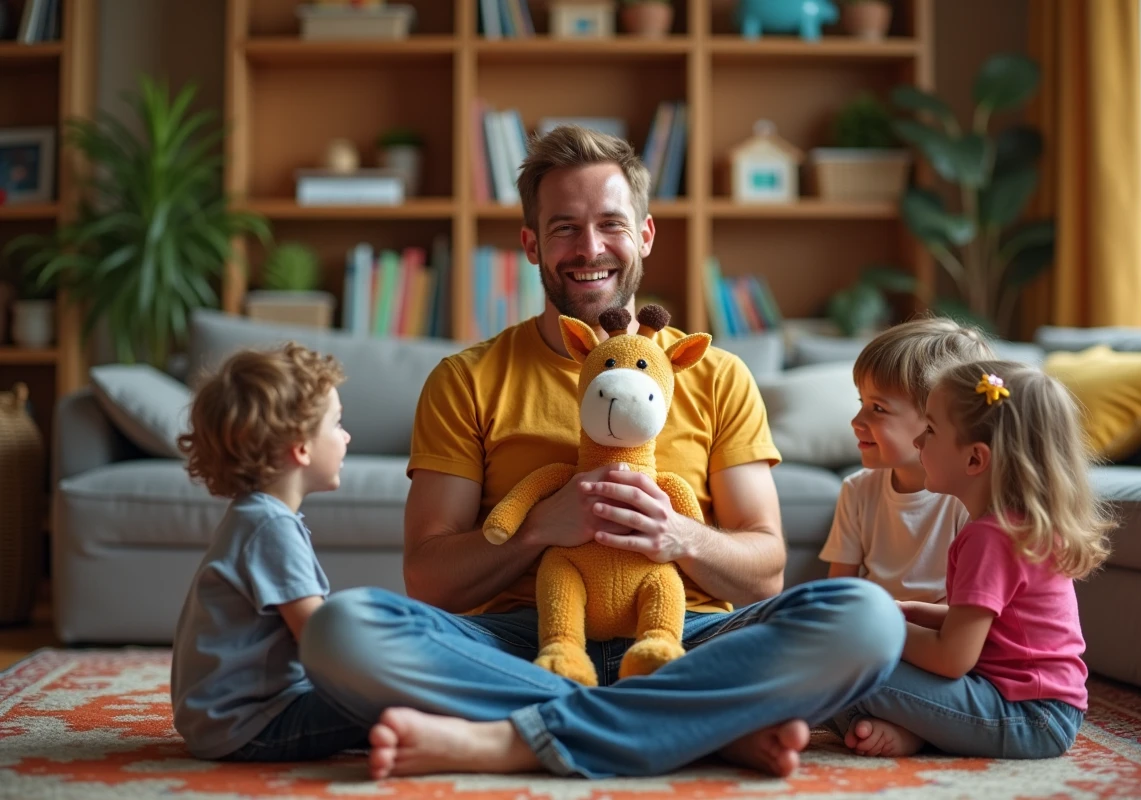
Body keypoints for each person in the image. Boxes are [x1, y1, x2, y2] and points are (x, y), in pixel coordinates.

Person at [298, 125, 905, 779]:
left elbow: (765, 571)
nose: (589, 249)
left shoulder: (718, 375)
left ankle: (515, 740)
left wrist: (679, 536)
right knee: (341, 629)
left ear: (644, 236)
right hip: (522, 641)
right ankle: (697, 727)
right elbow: (429, 579)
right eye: (564, 227)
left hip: (687, 637)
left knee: (867, 619)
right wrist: (537, 531)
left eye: (610, 225)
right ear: (531, 244)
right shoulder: (467, 378)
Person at [831, 360, 1114, 758]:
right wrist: (910, 612)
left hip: (1030, 717)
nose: (917, 443)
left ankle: (915, 731)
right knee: (850, 669)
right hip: (1036, 708)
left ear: (975, 460)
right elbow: (986, 627)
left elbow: (952, 657)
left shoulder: (990, 538)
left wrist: (876, 625)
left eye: (929, 431)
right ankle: (920, 730)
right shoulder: (1007, 528)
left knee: (848, 670)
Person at [171, 343, 367, 761]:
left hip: (227, 719)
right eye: (337, 423)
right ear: (301, 447)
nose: (346, 435)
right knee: (406, 695)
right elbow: (321, 641)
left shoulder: (256, 516)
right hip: (250, 725)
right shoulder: (270, 526)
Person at [819, 317, 994, 602]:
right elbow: (838, 594)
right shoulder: (857, 490)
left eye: (878, 408)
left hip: (942, 635)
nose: (856, 421)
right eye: (861, 403)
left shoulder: (966, 500)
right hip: (871, 631)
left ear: (935, 421)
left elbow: (968, 615)